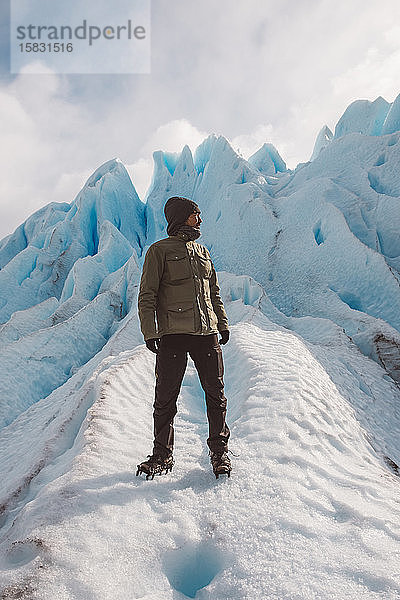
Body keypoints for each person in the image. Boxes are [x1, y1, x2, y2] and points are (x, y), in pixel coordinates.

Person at [136, 196, 231, 480]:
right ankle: (162, 455)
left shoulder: (203, 251)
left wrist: (222, 323)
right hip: (173, 335)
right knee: (165, 398)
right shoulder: (158, 251)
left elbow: (213, 291)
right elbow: (147, 296)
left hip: (206, 334)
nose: (200, 220)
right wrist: (150, 332)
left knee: (217, 396)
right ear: (181, 217)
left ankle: (219, 452)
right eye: (195, 215)